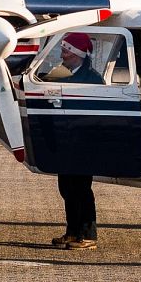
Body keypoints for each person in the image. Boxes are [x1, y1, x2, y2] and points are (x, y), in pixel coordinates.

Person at [53, 32, 101, 249]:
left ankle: (88, 234)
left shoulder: (92, 78)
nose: (62, 54)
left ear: (77, 54)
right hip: (67, 139)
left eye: (66, 50)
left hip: (84, 141)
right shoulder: (63, 74)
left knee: (82, 188)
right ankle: (72, 231)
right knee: (66, 186)